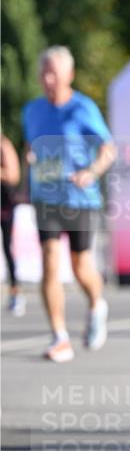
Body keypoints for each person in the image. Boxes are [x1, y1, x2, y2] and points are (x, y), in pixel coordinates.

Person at [22, 46, 116, 362]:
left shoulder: (83, 108)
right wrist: (27, 178)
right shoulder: (31, 110)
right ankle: (59, 337)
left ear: (69, 76)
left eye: (55, 74)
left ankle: (96, 303)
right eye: (44, 74)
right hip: (45, 198)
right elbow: (30, 147)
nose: (48, 80)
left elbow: (108, 150)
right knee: (49, 260)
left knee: (80, 266)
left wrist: (91, 172)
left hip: (80, 199)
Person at [1, 131, 25, 315]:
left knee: (7, 247)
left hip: (4, 203)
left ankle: (16, 291)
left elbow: (13, 175)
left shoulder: (4, 145)